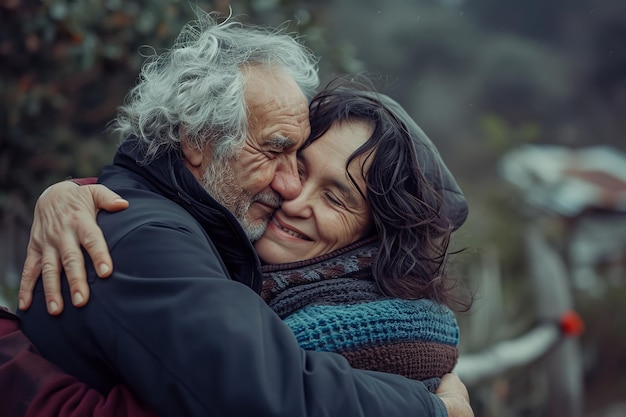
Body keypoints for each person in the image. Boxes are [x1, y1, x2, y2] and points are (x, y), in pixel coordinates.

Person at [6, 11, 473, 417]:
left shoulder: (391, 336)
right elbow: (268, 395)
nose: (291, 190)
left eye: (335, 197)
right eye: (278, 151)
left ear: (375, 231)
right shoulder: (148, 237)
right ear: (196, 140)